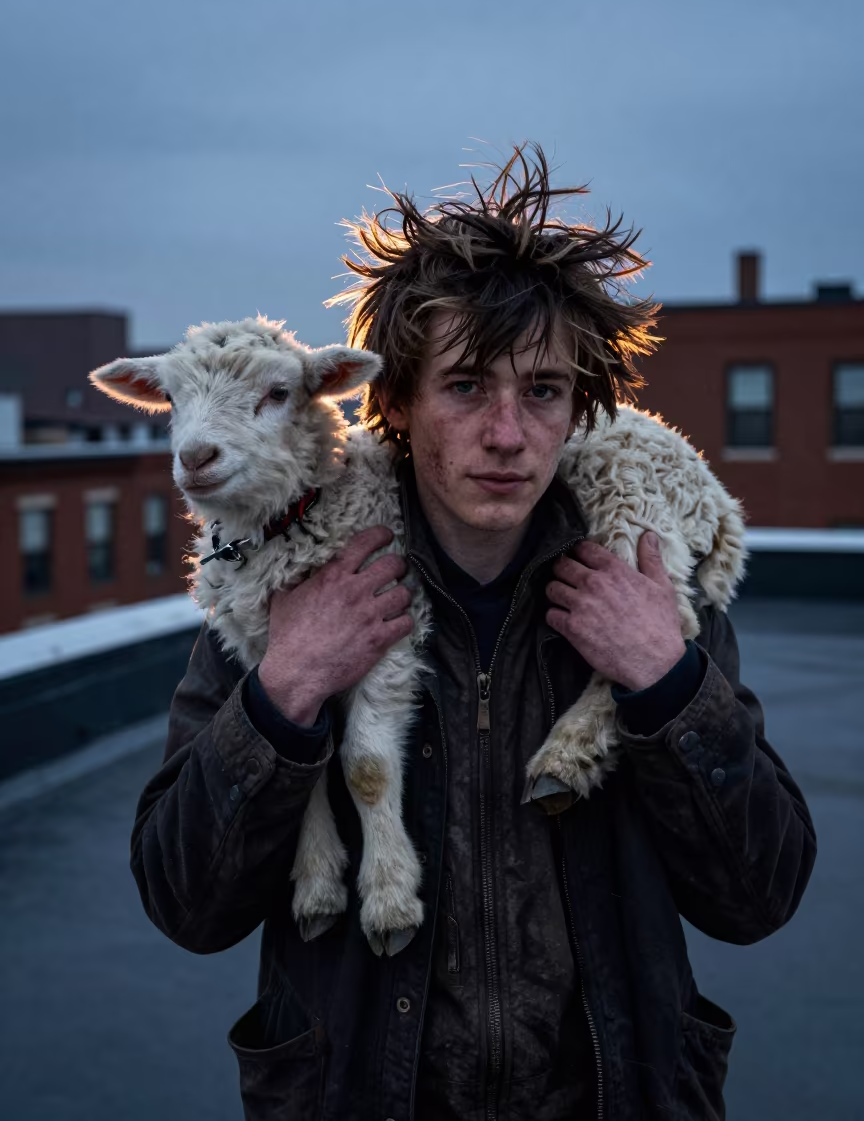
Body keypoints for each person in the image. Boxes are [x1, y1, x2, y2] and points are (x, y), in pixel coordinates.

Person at [131, 146, 816, 1121]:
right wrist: (284, 693)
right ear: (395, 403)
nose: (506, 434)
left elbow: (760, 896)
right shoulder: (291, 582)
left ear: (578, 406)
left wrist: (667, 683)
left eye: (542, 391)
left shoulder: (645, 587)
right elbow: (185, 904)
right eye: (464, 387)